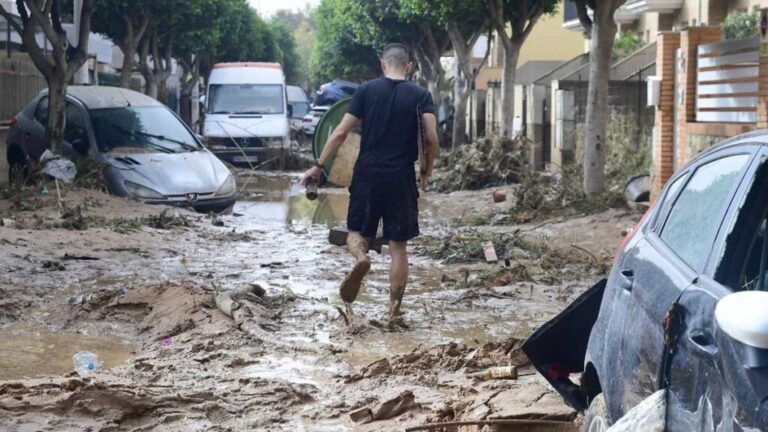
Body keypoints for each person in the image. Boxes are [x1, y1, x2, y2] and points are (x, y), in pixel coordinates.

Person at [301, 43, 439, 325]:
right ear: (409, 67)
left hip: (367, 174)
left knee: (355, 233)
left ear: (382, 64)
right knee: (398, 247)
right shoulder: (420, 95)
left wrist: (318, 166)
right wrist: (428, 169)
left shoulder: (365, 91)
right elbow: (431, 138)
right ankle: (393, 312)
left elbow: (341, 132)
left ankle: (362, 258)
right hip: (401, 177)